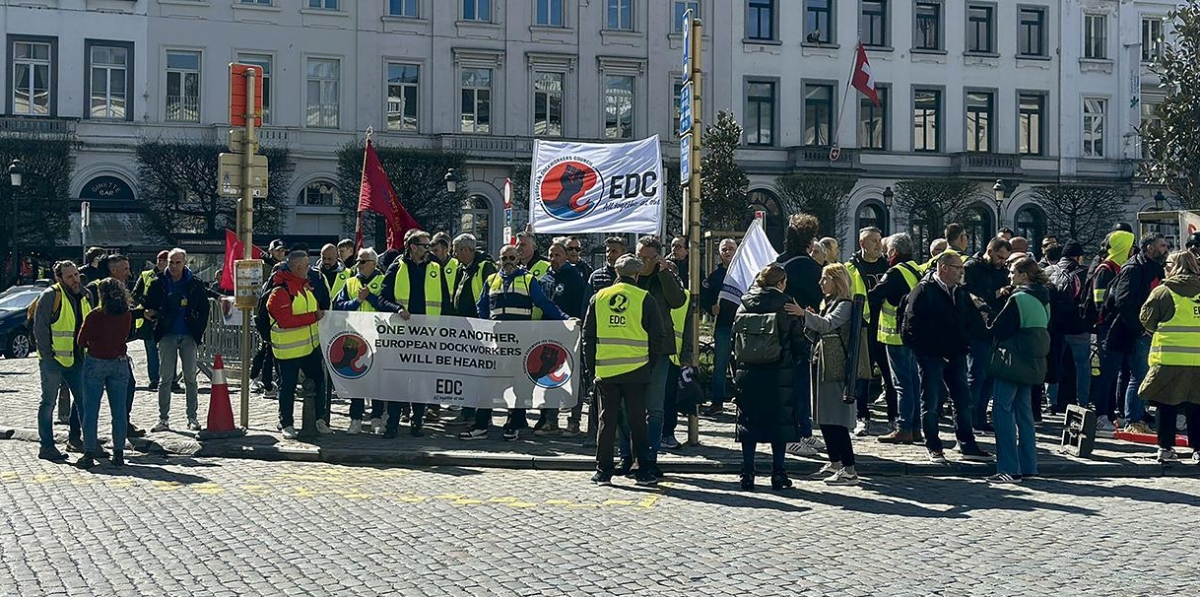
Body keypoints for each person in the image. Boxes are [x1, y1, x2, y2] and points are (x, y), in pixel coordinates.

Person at [463, 244, 567, 440]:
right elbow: (482, 304)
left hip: (520, 341)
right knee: (489, 384)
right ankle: (481, 425)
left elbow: (544, 303)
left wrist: (565, 318)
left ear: (518, 259)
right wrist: (486, 328)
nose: (508, 262)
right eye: (504, 259)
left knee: (518, 385)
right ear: (499, 261)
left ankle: (513, 424)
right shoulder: (491, 280)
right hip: (497, 343)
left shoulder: (528, 280)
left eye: (512, 258)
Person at [585, 254, 668, 487]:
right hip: (636, 370)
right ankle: (642, 470)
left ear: (617, 273)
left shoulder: (599, 297)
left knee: (606, 421)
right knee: (637, 421)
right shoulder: (644, 298)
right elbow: (658, 336)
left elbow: (588, 337)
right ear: (637, 274)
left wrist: (592, 368)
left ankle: (603, 471)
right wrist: (648, 364)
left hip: (606, 371)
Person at [903, 251, 993, 464]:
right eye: (957, 268)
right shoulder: (924, 290)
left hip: (956, 354)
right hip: (932, 356)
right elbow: (911, 328)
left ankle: (967, 444)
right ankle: (934, 447)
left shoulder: (960, 292)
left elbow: (970, 320)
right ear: (943, 268)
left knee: (963, 401)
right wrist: (929, 351)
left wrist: (966, 343)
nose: (961, 272)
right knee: (931, 401)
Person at [619, 236, 687, 478]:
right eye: (641, 257)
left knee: (654, 408)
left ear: (657, 257)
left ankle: (650, 457)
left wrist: (664, 273)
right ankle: (627, 456)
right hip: (629, 349)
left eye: (649, 258)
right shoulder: (629, 278)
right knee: (626, 407)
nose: (644, 262)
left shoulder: (665, 275)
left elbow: (678, 301)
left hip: (658, 350)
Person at [732, 264, 803, 491]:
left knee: (748, 423)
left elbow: (735, 339)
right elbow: (798, 341)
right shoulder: (787, 306)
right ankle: (778, 473)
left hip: (748, 372)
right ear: (781, 283)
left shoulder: (744, 304)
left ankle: (748, 473)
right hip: (778, 373)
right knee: (779, 424)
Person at [986, 256, 1051, 483]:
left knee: (1002, 412)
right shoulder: (1043, 298)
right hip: (1033, 363)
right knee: (1025, 415)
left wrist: (984, 312)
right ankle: (1028, 466)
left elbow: (998, 329)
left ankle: (1009, 468)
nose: (1009, 275)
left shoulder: (1019, 298)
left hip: (1012, 363)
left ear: (1024, 275)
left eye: (1012, 272)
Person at [382, 229, 449, 438]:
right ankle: (392, 424)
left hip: (427, 336)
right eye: (425, 246)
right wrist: (397, 309)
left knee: (421, 381)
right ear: (413, 247)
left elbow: (445, 303)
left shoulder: (436, 269)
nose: (429, 249)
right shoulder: (397, 268)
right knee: (398, 381)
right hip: (401, 335)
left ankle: (417, 423)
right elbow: (382, 299)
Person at [1099, 233, 1168, 435]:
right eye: (1162, 245)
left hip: (1141, 331)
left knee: (1139, 376)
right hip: (1131, 331)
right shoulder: (1134, 269)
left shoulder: (1152, 268)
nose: (1166, 249)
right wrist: (1141, 328)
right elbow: (1124, 302)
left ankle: (1135, 418)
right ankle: (1132, 420)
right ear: (1150, 249)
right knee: (1137, 376)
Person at [801, 264, 862, 486]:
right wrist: (809, 319)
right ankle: (835, 462)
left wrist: (804, 314)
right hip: (822, 367)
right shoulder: (828, 303)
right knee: (825, 418)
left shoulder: (844, 305)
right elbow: (817, 331)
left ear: (837, 281)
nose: (820, 283)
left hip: (835, 369)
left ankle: (850, 469)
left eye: (825, 279)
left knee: (836, 420)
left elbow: (827, 326)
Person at [1139, 250, 1200, 463]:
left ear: (1175, 267)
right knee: (1197, 405)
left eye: (1167, 264)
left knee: (1166, 404)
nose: (1165, 267)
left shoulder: (1163, 292)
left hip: (1169, 359)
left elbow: (1146, 319)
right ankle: (1198, 449)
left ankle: (1165, 448)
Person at [333, 248, 402, 434]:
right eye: (358, 261)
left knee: (377, 381)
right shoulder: (350, 283)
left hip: (378, 339)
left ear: (373, 262)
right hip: (355, 338)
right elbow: (338, 305)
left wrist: (369, 298)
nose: (359, 265)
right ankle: (355, 418)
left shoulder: (383, 281)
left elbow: (387, 305)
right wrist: (356, 301)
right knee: (356, 380)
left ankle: (376, 418)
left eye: (363, 261)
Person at [143, 248, 210, 433]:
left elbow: (204, 309)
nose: (173, 266)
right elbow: (147, 304)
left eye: (177, 262)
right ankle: (163, 419)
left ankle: (192, 417)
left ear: (185, 263)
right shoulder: (158, 282)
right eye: (171, 262)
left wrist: (198, 330)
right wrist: (153, 315)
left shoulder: (195, 283)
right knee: (165, 379)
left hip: (188, 335)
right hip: (167, 335)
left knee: (190, 378)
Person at [265, 249, 329, 439]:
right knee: (288, 387)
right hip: (288, 351)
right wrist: (313, 317)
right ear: (298, 267)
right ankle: (286, 423)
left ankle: (319, 419)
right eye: (307, 265)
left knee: (318, 382)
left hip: (309, 347)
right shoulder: (279, 292)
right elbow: (285, 320)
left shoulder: (305, 287)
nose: (310, 268)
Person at [775, 214, 823, 455]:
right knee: (799, 386)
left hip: (779, 331)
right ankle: (795, 435)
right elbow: (820, 297)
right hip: (799, 333)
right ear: (809, 241)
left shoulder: (779, 262)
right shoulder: (807, 266)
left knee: (791, 385)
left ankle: (803, 431)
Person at [33, 261, 90, 462]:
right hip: (53, 360)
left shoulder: (84, 295)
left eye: (76, 274)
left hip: (77, 358)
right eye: (69, 276)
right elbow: (40, 328)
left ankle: (89, 444)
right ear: (59, 278)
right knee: (48, 402)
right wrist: (48, 355)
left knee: (85, 401)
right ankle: (47, 446)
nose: (75, 279)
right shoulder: (51, 295)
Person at [75, 278, 134, 468]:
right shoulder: (126, 314)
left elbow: (81, 340)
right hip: (119, 362)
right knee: (119, 411)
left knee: (90, 410)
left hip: (96, 361)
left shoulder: (95, 315)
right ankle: (118, 453)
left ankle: (89, 453)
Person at [443, 234, 498, 429]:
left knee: (478, 374)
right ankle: (467, 412)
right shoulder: (462, 268)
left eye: (456, 250)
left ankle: (480, 415)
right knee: (466, 373)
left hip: (480, 329)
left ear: (467, 250)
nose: (454, 254)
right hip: (464, 329)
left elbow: (492, 297)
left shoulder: (485, 267)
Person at [536, 237, 589, 434]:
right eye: (550, 254)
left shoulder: (574, 276)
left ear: (566, 256)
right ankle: (551, 419)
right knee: (550, 376)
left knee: (573, 377)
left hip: (569, 334)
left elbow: (581, 305)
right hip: (548, 334)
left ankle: (574, 420)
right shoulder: (545, 277)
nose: (553, 258)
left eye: (557, 254)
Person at [873, 234, 922, 444]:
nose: (885, 254)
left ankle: (903, 428)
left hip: (895, 335)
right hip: (913, 335)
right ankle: (916, 427)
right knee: (913, 382)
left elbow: (874, 295)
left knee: (902, 384)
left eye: (887, 251)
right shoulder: (916, 269)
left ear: (893, 252)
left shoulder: (894, 272)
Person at [1086, 229, 1136, 433]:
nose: (1134, 249)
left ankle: (1111, 413)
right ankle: (1101, 414)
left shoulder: (1119, 266)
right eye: (1131, 245)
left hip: (1118, 326)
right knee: (1107, 373)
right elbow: (1100, 301)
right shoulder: (1106, 269)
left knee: (1117, 372)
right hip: (1107, 327)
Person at [963, 237, 1013, 433]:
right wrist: (996, 294)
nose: (1002, 262)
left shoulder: (1001, 270)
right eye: (1000, 257)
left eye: (1005, 259)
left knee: (989, 376)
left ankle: (980, 417)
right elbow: (968, 294)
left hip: (994, 330)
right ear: (990, 251)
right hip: (975, 329)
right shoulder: (972, 267)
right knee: (976, 375)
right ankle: (969, 416)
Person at [847, 227, 890, 435]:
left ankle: (894, 418)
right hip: (863, 327)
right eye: (873, 241)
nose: (878, 245)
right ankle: (861, 416)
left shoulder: (888, 266)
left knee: (890, 375)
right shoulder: (851, 267)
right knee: (862, 374)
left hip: (887, 327)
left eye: (880, 240)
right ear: (862, 244)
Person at [1047, 241, 1092, 415]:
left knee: (1053, 362)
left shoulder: (1048, 272)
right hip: (1078, 326)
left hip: (1054, 327)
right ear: (1078, 257)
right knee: (1082, 366)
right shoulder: (1086, 273)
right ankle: (1083, 402)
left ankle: (1052, 402)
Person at [701, 238, 739, 416]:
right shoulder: (714, 277)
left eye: (731, 249)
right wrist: (711, 308)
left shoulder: (744, 273)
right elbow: (705, 299)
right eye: (724, 249)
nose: (728, 252)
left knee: (743, 365)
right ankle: (717, 402)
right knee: (720, 365)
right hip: (723, 325)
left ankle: (742, 399)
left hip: (742, 326)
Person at [132, 250, 168, 392]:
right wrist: (145, 307)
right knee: (151, 350)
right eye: (160, 260)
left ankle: (168, 379)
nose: (161, 262)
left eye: (164, 260)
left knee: (167, 350)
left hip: (165, 317)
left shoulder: (173, 276)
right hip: (148, 317)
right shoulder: (146, 275)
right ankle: (154, 378)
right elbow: (135, 293)